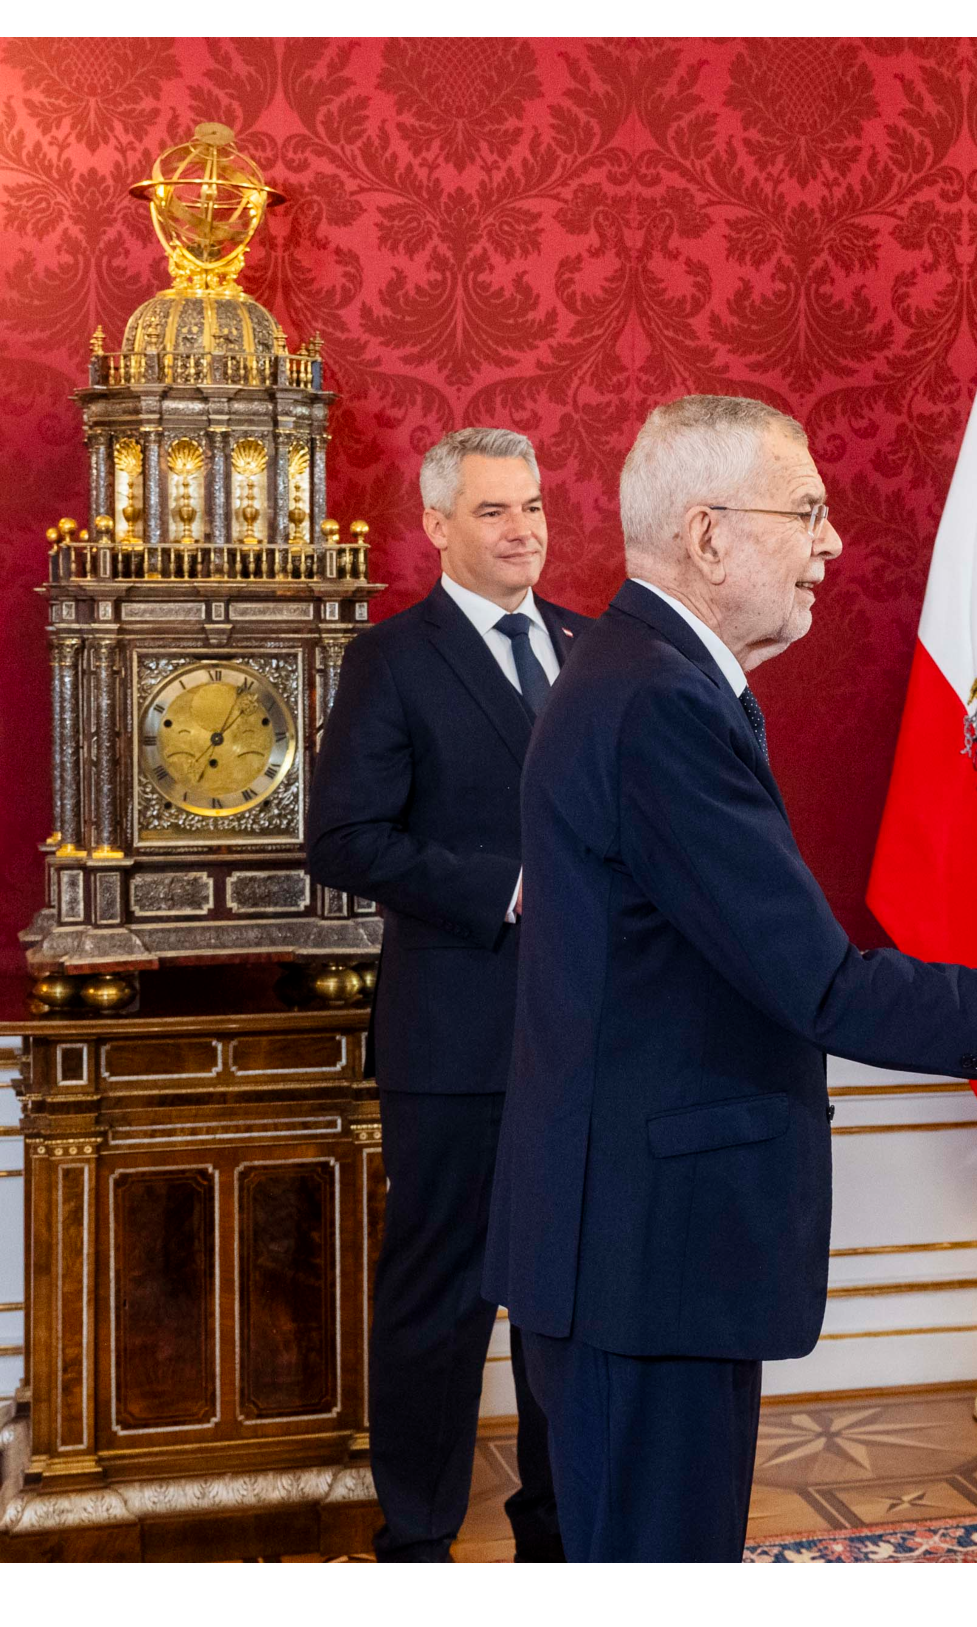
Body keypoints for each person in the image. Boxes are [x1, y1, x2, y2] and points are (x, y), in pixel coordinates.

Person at [482, 394, 977, 1561]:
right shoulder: (656, 702)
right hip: (645, 1255)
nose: (832, 543)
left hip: (635, 1244)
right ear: (707, 536)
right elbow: (825, 988)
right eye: (805, 511)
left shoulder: (644, 674)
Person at [308, 426, 585, 1562]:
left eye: (531, 507)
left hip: (586, 1037)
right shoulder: (394, 660)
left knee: (564, 1300)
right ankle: (417, 1536)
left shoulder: (590, 643)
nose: (523, 529)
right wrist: (505, 889)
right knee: (440, 1304)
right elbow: (342, 839)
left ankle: (559, 1531)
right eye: (492, 512)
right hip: (457, 1041)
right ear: (434, 525)